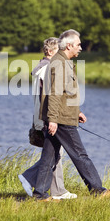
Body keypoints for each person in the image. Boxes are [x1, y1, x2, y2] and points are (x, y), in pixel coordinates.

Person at [33, 29, 110, 200]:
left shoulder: (63, 62)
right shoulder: (59, 63)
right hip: (61, 120)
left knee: (48, 158)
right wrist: (53, 120)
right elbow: (55, 94)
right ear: (69, 45)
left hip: (62, 116)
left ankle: (39, 195)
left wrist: (77, 111)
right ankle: (98, 191)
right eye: (79, 44)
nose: (81, 47)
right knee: (80, 155)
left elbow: (66, 93)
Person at [19, 37, 77, 200]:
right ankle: (29, 177)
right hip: (48, 118)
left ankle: (58, 191)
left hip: (42, 117)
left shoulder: (42, 68)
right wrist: (55, 117)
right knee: (52, 155)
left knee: (54, 153)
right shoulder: (47, 69)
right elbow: (52, 96)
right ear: (51, 51)